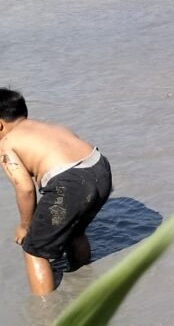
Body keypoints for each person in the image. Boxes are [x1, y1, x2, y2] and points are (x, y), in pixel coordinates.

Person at [0, 88, 112, 295]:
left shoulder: (6, 143)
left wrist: (25, 226)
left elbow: (25, 189)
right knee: (74, 229)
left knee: (34, 249)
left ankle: (45, 311)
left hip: (70, 183)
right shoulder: (51, 127)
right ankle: (84, 278)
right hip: (100, 168)